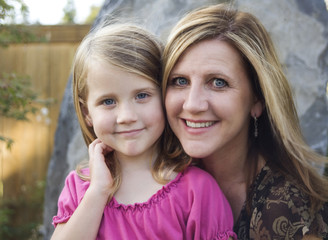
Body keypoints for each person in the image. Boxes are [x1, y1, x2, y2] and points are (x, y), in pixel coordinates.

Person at [51, 23, 236, 240]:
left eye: (142, 96)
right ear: (87, 113)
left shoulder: (196, 190)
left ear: (165, 95)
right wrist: (98, 191)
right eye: (108, 101)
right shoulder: (80, 187)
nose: (127, 116)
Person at [162, 3, 328, 240]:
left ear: (257, 100)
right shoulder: (150, 178)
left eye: (218, 82)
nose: (192, 104)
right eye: (179, 81)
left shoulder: (287, 209)